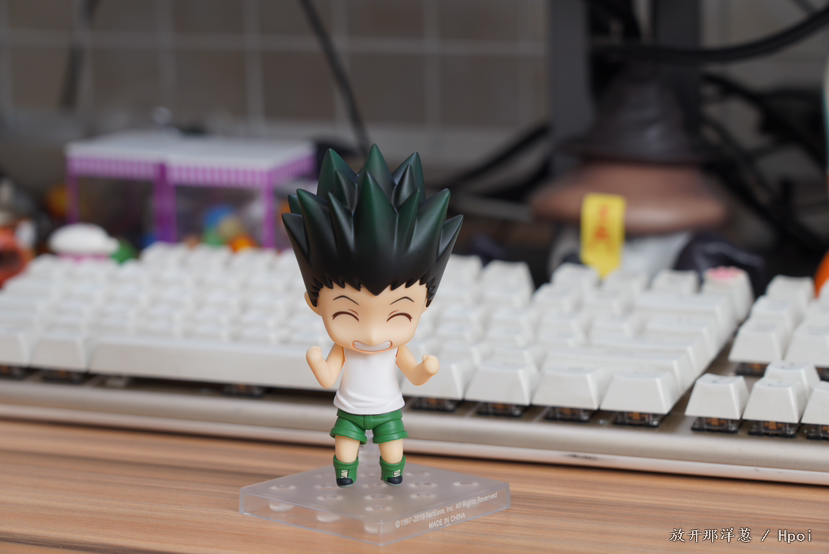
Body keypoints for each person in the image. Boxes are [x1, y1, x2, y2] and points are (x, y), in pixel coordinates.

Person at [282, 145, 462, 487]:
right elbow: (327, 378)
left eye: (398, 315)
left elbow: (414, 375)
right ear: (314, 303)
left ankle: (393, 473)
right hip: (349, 410)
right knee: (345, 444)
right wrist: (318, 363)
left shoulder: (395, 349)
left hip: (387, 409)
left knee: (392, 447)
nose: (373, 335)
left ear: (425, 304)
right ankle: (344, 474)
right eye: (346, 315)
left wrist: (425, 369)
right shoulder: (344, 349)